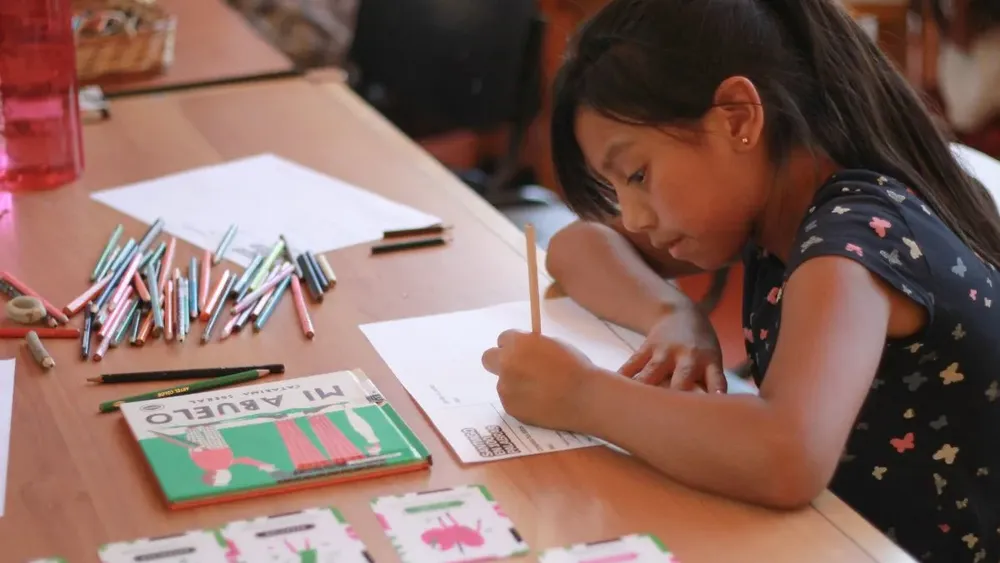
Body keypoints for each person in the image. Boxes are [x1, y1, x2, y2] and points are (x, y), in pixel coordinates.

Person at [479, 0, 1000, 560]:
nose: (634, 217)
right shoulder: (774, 210)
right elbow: (577, 247)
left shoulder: (850, 239)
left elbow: (788, 454)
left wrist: (582, 395)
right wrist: (673, 314)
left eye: (637, 174)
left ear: (737, 119)